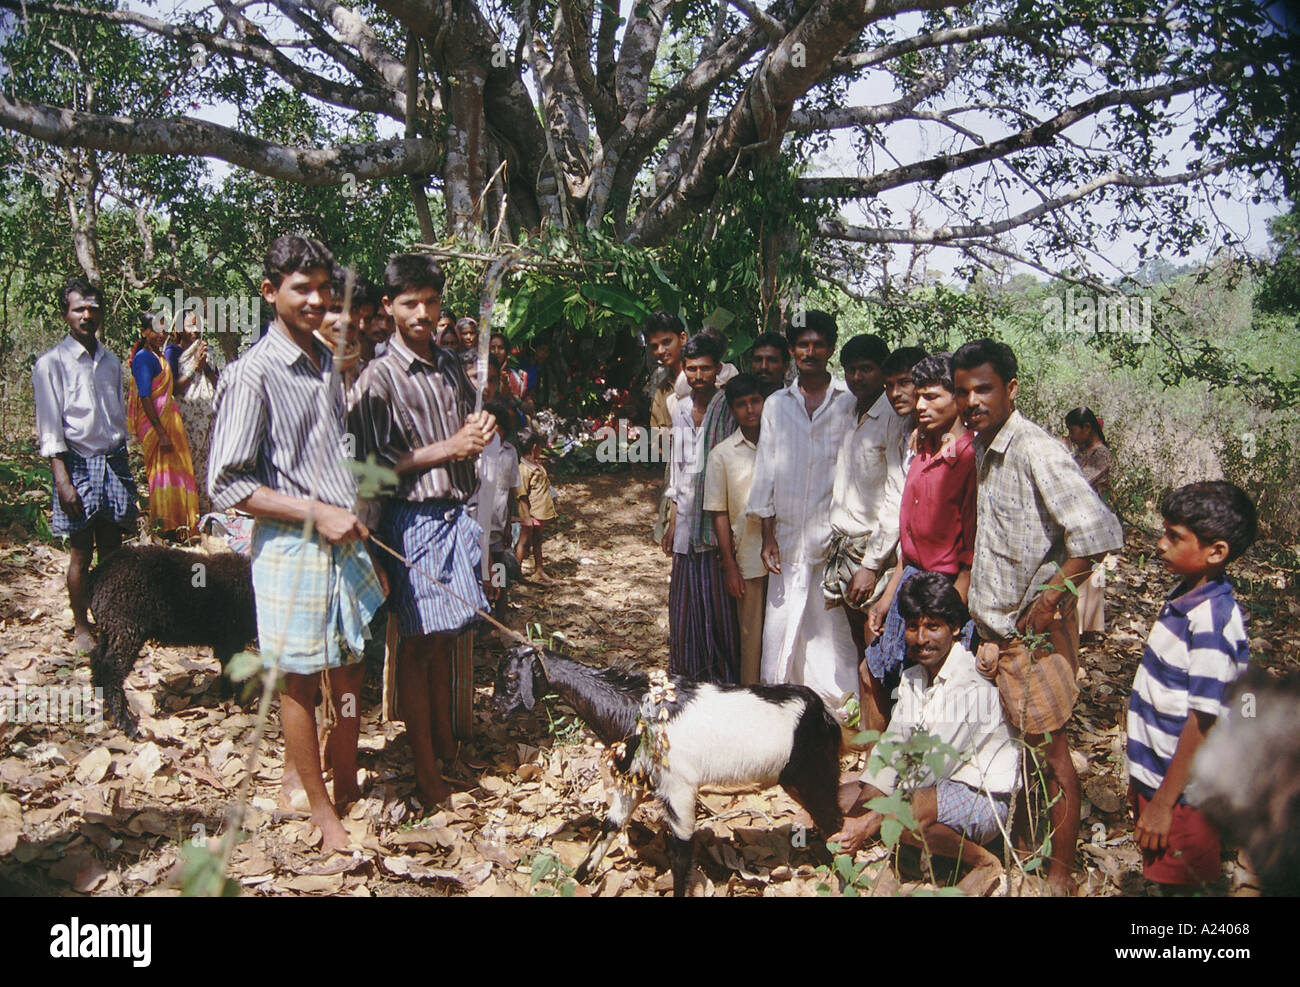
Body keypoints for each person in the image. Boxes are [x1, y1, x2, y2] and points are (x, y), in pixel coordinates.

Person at [208, 234, 386, 852]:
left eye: (322, 290)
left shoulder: (323, 359)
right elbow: (227, 484)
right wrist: (316, 513)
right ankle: (320, 810)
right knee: (301, 681)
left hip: (343, 539)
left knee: (351, 667)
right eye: (300, 289)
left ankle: (342, 779)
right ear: (269, 292)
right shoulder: (250, 374)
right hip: (290, 545)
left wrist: (350, 519)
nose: (315, 302)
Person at [953, 338, 1123, 895]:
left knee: (1051, 755)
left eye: (984, 389)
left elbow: (1096, 535)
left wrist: (1050, 600)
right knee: (1013, 749)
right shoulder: (983, 445)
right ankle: (1023, 848)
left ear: (1011, 389)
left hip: (1034, 638)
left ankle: (1060, 873)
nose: (972, 400)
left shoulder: (1036, 449)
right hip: (995, 632)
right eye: (963, 391)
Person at [350, 254, 494, 806]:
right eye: (410, 303)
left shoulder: (450, 365)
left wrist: (478, 427)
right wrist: (447, 449)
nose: (423, 313)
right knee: (416, 645)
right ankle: (426, 774)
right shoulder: (378, 378)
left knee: (443, 642)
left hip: (457, 514)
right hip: (413, 521)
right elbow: (369, 467)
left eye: (431, 302)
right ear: (388, 307)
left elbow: (464, 428)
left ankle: (445, 752)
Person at [833, 572, 1019, 896]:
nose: (921, 639)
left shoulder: (970, 684)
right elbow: (892, 746)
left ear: (956, 629)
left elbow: (931, 768)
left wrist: (868, 823)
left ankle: (985, 862)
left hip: (985, 797)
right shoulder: (914, 677)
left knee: (905, 812)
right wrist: (860, 812)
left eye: (933, 627)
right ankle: (920, 849)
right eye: (913, 627)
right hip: (934, 788)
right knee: (845, 800)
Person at [1128, 481, 1256, 888]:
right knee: (1166, 874)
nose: (1161, 545)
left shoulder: (1212, 623)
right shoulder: (1186, 594)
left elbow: (1205, 720)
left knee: (1184, 885)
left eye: (1174, 537)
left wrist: (1164, 803)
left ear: (1216, 552)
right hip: (1161, 774)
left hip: (1184, 793)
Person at [747, 311, 858, 706]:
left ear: (830, 348)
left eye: (818, 344)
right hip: (788, 536)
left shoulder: (848, 403)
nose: (810, 351)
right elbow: (766, 469)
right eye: (802, 344)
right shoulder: (777, 404)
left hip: (834, 540)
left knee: (830, 628)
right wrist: (767, 535)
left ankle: (838, 705)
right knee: (781, 625)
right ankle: (781, 701)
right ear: (792, 351)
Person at [864, 352, 975, 729]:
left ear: (958, 399)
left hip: (943, 588)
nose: (921, 405)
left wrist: (954, 607)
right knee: (876, 672)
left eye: (933, 398)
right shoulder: (922, 447)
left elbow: (971, 550)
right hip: (911, 578)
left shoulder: (969, 458)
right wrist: (888, 595)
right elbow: (909, 539)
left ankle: (921, 779)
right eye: (920, 395)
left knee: (932, 692)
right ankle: (875, 771)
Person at [33, 279, 139, 653]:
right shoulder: (51, 364)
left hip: (112, 460)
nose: (87, 315)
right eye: (79, 309)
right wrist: (62, 481)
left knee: (113, 548)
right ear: (66, 314)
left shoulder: (110, 362)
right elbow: (50, 427)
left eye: (93, 308)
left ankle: (111, 620)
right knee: (81, 550)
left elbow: (115, 418)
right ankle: (81, 626)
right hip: (76, 463)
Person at [821, 337, 911, 698]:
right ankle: (867, 714)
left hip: (875, 550)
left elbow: (897, 495)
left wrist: (872, 564)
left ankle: (886, 727)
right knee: (860, 639)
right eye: (851, 369)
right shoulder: (847, 409)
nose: (857, 377)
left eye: (867, 369)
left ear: (882, 370)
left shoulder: (893, 418)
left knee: (878, 642)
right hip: (843, 543)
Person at [665, 333, 740, 682]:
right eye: (692, 369)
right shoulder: (679, 408)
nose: (698, 376)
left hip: (718, 521)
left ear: (718, 369)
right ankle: (687, 680)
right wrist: (672, 516)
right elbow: (678, 464)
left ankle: (722, 682)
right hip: (686, 523)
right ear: (684, 368)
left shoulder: (728, 406)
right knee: (684, 610)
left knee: (718, 611)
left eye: (705, 369)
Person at [703, 374, 767, 684]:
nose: (750, 409)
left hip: (789, 556)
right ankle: (752, 699)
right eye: (742, 404)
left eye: (755, 401)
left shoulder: (781, 445)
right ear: (732, 410)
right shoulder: (722, 455)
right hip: (750, 558)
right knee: (751, 639)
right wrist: (729, 565)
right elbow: (719, 513)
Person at [128, 310, 199, 539]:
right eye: (155, 330)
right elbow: (146, 396)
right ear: (144, 332)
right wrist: (161, 432)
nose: (161, 334)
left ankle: (181, 524)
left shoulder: (158, 356)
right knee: (162, 475)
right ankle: (166, 526)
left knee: (177, 473)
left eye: (164, 329)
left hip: (170, 421)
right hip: (157, 426)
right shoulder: (143, 358)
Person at [165, 311, 220, 514]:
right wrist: (193, 367)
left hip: (208, 420)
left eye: (198, 325)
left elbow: (218, 384)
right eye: (190, 326)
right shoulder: (172, 353)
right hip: (185, 420)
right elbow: (173, 389)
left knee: (208, 465)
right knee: (186, 464)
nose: (195, 330)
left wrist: (205, 367)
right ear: (179, 329)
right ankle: (186, 515)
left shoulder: (207, 351)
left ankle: (207, 514)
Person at [1066, 406, 1114, 639]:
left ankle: (1085, 626)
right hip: (1076, 517)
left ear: (1087, 428)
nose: (1072, 436)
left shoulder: (1101, 454)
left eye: (1073, 431)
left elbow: (1079, 482)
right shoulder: (1081, 451)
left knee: (1088, 570)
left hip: (1093, 520)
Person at [514, 428, 556, 582]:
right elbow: (522, 495)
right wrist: (526, 517)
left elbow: (545, 484)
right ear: (534, 447)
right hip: (531, 513)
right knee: (524, 541)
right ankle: (517, 573)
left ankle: (539, 570)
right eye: (539, 447)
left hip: (540, 511)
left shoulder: (537, 466)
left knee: (538, 540)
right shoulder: (523, 470)